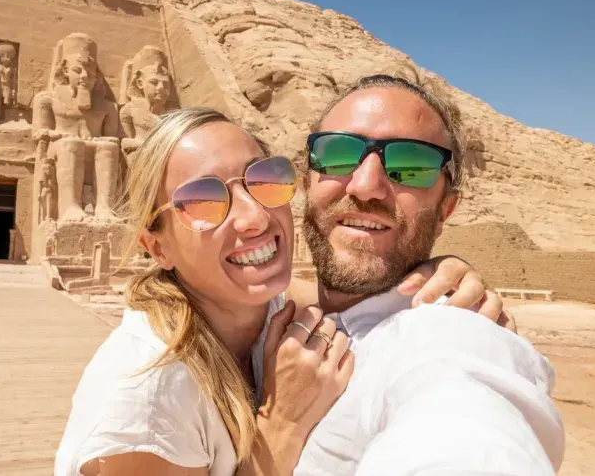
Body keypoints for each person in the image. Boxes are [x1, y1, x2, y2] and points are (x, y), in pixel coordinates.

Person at [54, 106, 514, 476]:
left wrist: (433, 276)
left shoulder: (264, 306)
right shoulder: (147, 393)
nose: (255, 217)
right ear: (157, 247)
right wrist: (283, 422)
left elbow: (348, 292)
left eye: (264, 180)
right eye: (203, 200)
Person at [289, 67, 564, 474]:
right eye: (337, 153)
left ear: (444, 211)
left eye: (411, 164)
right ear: (305, 183)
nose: (366, 185)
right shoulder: (258, 314)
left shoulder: (450, 338)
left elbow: (468, 433)